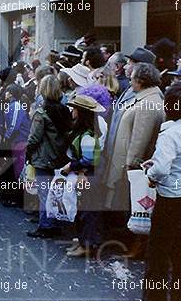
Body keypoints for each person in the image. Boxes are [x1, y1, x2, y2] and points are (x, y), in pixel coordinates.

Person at [122, 83, 181, 301]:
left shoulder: (169, 134)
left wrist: (151, 174)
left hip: (170, 199)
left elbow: (161, 169)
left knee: (156, 255)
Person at [104, 61, 165, 258]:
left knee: (138, 205)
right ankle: (134, 243)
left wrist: (131, 163)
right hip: (130, 163)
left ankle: (138, 246)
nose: (129, 81)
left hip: (135, 166)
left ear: (140, 80)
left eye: (132, 78)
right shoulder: (146, 98)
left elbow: (141, 137)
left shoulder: (148, 102)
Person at [27, 75, 72, 238]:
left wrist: (28, 153)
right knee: (57, 192)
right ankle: (55, 222)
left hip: (43, 157)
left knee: (44, 193)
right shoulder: (65, 110)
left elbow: (34, 138)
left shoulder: (42, 112)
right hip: (60, 157)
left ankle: (46, 225)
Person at [61, 94, 105, 257]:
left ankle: (86, 245)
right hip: (88, 175)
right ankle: (82, 241)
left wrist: (71, 166)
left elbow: (88, 159)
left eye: (74, 108)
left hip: (88, 176)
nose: (72, 111)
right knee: (84, 210)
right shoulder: (86, 132)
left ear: (80, 112)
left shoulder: (86, 135)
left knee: (87, 211)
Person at [0, 83, 31, 207]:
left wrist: (6, 138)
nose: (5, 93)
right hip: (16, 141)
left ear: (11, 93)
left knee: (17, 170)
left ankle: (15, 198)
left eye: (7, 92)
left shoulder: (15, 106)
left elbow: (14, 125)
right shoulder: (11, 105)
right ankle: (8, 194)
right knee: (11, 169)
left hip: (19, 141)